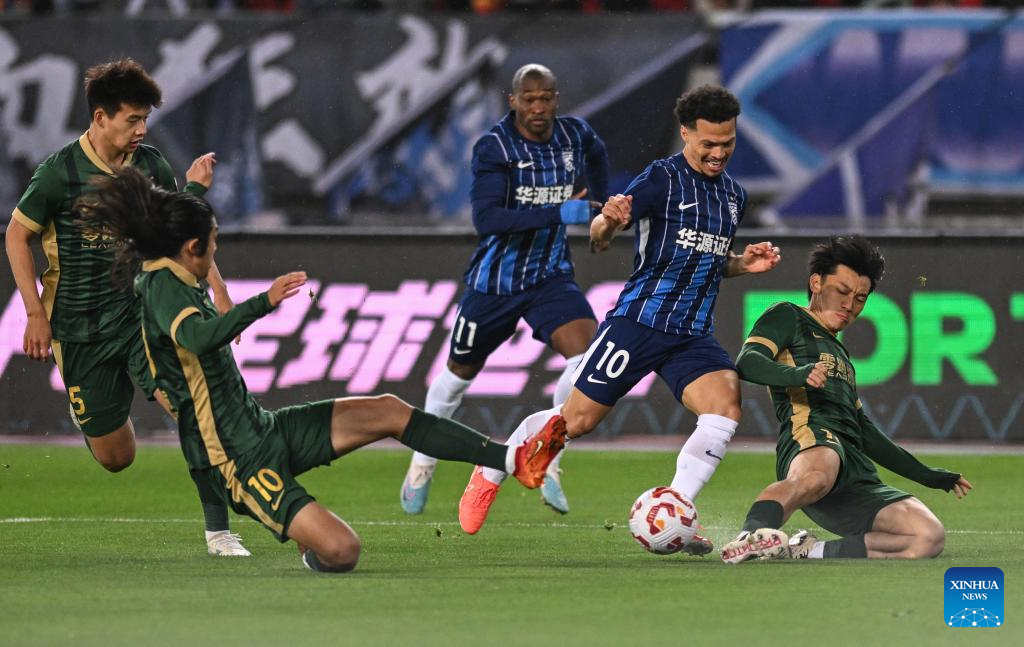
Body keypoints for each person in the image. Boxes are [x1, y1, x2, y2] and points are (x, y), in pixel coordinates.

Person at [73, 166, 567, 572]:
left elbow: (177, 229)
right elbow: (198, 338)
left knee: (388, 410)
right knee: (343, 551)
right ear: (191, 248)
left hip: (263, 428)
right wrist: (263, 302)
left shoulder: (169, 264)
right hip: (237, 463)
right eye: (213, 241)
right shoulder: (164, 289)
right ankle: (306, 540)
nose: (216, 249)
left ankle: (513, 460)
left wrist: (195, 190)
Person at [457, 84, 781, 540]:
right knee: (577, 420)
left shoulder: (733, 196)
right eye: (708, 143)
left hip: (690, 333)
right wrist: (608, 220)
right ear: (686, 133)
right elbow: (599, 235)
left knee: (725, 406)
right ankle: (490, 468)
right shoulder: (661, 179)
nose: (718, 153)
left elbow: (706, 259)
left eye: (727, 143)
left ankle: (675, 513)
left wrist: (741, 264)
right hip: (639, 323)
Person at [4, 58, 247, 557]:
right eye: (132, 119)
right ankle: (97, 410)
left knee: (190, 410)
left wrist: (219, 291)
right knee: (116, 458)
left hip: (142, 316)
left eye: (145, 119)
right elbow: (16, 235)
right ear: (100, 117)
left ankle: (219, 531)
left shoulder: (151, 165)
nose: (142, 130)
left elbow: (182, 234)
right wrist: (34, 313)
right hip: (78, 328)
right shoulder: (59, 173)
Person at [399, 63, 609, 516]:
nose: (538, 108)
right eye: (529, 100)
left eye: (546, 98)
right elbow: (487, 219)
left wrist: (601, 211)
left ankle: (549, 459)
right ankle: (422, 462)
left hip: (550, 277)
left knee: (586, 360)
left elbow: (598, 152)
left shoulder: (573, 135)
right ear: (512, 101)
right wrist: (561, 213)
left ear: (556, 99)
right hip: (494, 284)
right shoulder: (494, 147)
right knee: (456, 378)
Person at [720, 235, 972, 563]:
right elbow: (748, 362)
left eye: (860, 298)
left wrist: (929, 475)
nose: (849, 304)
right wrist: (797, 374)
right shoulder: (788, 316)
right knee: (816, 476)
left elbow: (864, 431)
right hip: (813, 438)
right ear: (816, 283)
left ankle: (806, 551)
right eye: (842, 291)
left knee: (927, 537)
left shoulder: (841, 356)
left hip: (855, 468)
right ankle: (749, 539)